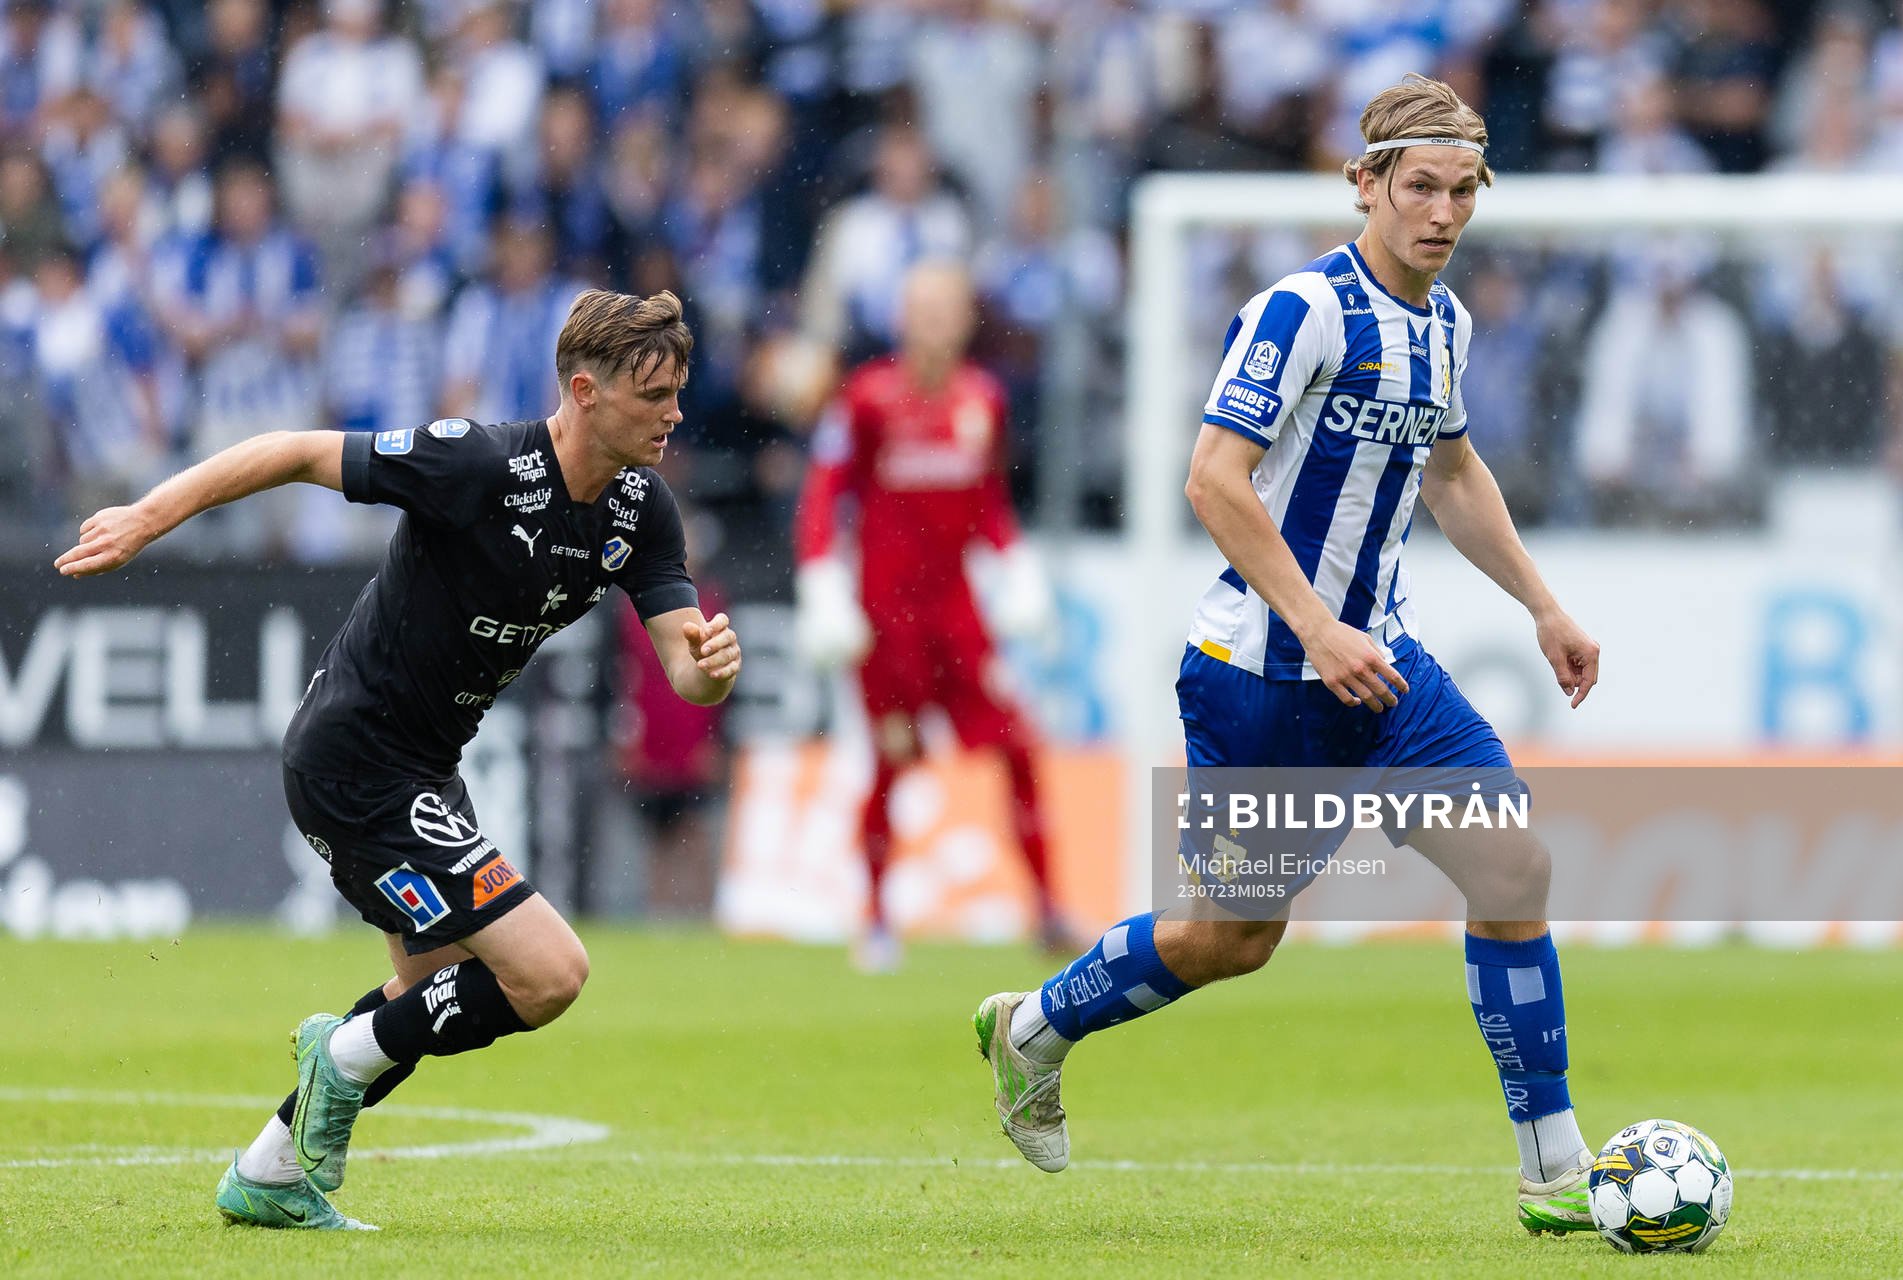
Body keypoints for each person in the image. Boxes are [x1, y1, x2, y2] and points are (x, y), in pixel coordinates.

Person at [972, 75, 1604, 1236]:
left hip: (1387, 669)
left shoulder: (1446, 324)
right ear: (1365, 183)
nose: (1444, 213)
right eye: (1420, 186)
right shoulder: (1298, 311)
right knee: (1233, 938)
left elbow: (1452, 473)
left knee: (1513, 866)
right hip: (1265, 676)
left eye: (1464, 190)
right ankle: (1034, 1028)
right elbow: (1211, 478)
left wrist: (1541, 604)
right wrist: (1317, 624)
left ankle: (1555, 1169)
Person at [54, 289, 742, 1231]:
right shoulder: (479, 464)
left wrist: (707, 670)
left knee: (423, 1000)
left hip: (424, 771)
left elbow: (682, 664)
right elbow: (295, 451)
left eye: (677, 393)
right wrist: (148, 516)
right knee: (548, 975)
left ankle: (268, 1172)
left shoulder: (640, 509)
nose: (673, 415)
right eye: (653, 395)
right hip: (354, 764)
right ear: (584, 391)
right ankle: (334, 1058)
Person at [794, 260, 1063, 971]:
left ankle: (1049, 909)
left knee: (1020, 746)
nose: (935, 322)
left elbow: (990, 509)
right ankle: (878, 917)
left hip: (959, 621)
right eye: (923, 309)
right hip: (888, 626)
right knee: (891, 760)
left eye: (948, 309)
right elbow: (825, 495)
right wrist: (823, 582)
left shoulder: (983, 400)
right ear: (901, 319)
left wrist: (1019, 571)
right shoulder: (867, 399)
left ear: (967, 318)